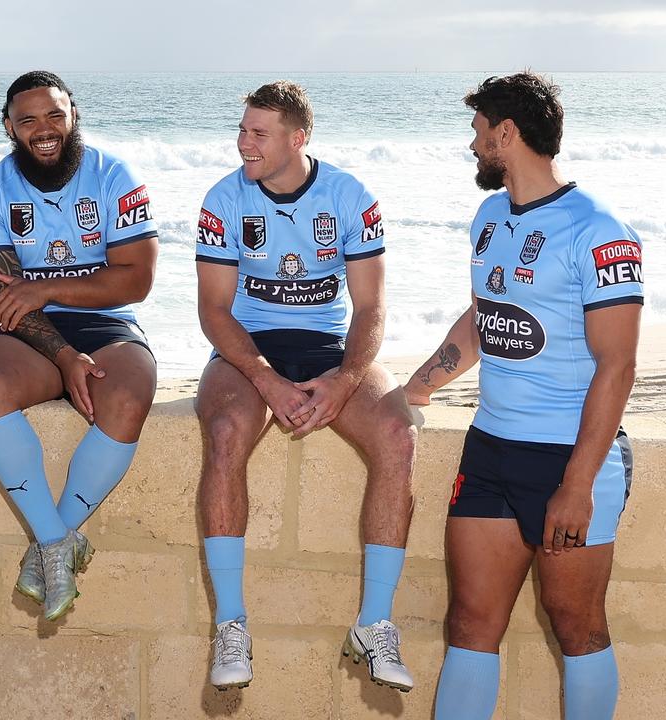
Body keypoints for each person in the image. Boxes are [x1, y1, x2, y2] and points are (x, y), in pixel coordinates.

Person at [407, 72, 641, 720]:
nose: (473, 144)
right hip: (490, 452)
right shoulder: (487, 218)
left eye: (479, 132)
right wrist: (419, 385)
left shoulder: (597, 229)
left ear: (506, 133)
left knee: (576, 628)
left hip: (567, 460)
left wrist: (578, 483)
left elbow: (617, 366)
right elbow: (486, 315)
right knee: (470, 622)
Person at [193, 81, 417, 691]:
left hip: (327, 346)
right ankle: (231, 623)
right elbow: (214, 311)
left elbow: (371, 308)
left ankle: (374, 624)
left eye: (258, 133)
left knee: (398, 434)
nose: (244, 143)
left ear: (299, 138)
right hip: (247, 348)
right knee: (225, 431)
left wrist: (346, 380)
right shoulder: (223, 198)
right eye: (242, 130)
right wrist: (264, 378)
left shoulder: (350, 197)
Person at [0, 71, 158, 621]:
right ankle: (55, 541)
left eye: (54, 115)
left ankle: (53, 540)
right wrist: (65, 356)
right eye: (27, 120)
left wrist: (46, 285)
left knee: (127, 397)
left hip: (106, 322)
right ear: (9, 128)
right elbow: (7, 302)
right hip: (30, 332)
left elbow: (135, 281)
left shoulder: (114, 176)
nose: (43, 129)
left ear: (73, 115)